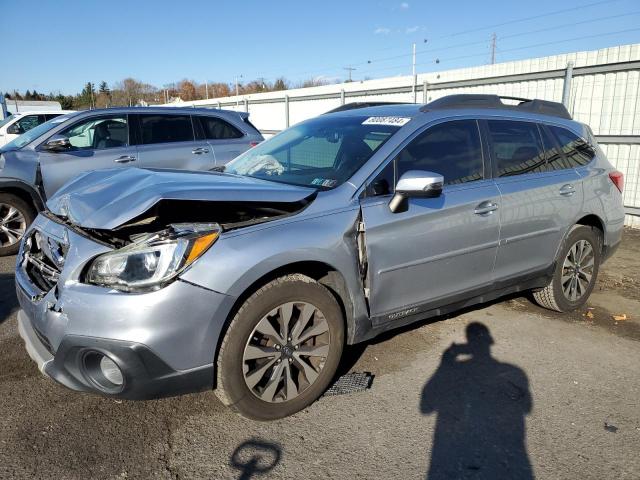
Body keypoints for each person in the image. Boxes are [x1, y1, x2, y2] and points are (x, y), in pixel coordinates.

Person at [421, 322, 533, 479]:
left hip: (458, 448)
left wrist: (445, 362)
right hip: (504, 455)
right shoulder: (514, 371)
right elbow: (527, 407)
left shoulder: (456, 368)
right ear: (489, 342)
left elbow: (426, 407)